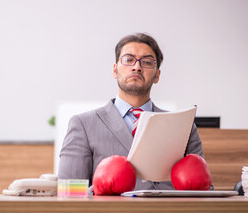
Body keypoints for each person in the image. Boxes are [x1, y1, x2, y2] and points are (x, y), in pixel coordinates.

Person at [58, 33, 204, 190]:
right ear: (115, 70)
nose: (137, 67)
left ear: (157, 75)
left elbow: (204, 188)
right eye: (128, 60)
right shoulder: (83, 124)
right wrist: (99, 191)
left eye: (147, 62)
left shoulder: (183, 125)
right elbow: (69, 192)